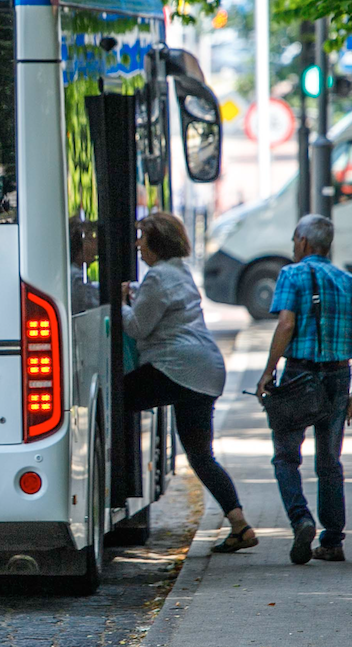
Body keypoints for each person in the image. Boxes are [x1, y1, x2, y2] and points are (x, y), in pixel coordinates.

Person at [121, 212, 257, 554]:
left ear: (157, 243)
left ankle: (115, 479)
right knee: (200, 455)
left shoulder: (157, 277)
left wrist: (117, 299)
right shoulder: (178, 271)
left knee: (117, 399)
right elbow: (166, 302)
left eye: (142, 239)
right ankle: (240, 525)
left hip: (177, 367)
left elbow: (137, 327)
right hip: (205, 370)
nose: (138, 245)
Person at [255, 214, 352, 565]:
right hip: (339, 378)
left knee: (286, 456)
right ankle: (333, 540)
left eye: (296, 239)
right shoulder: (350, 282)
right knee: (329, 462)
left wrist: (267, 371)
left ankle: (301, 519)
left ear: (304, 242)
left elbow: (286, 323)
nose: (294, 245)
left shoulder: (291, 275)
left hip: (299, 377)